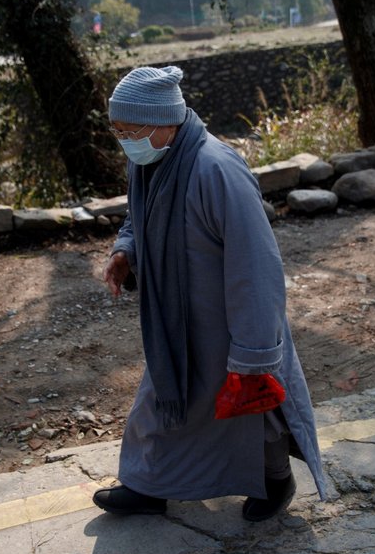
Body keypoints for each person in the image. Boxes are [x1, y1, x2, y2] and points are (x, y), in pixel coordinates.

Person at [94, 65, 328, 522]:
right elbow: (137, 218)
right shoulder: (151, 161)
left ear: (167, 121)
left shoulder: (216, 169)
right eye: (117, 131)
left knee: (252, 411)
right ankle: (147, 484)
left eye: (132, 130)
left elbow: (257, 266)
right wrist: (125, 251)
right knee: (162, 400)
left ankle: (276, 480)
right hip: (176, 319)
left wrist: (255, 352)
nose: (125, 140)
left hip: (229, 323)